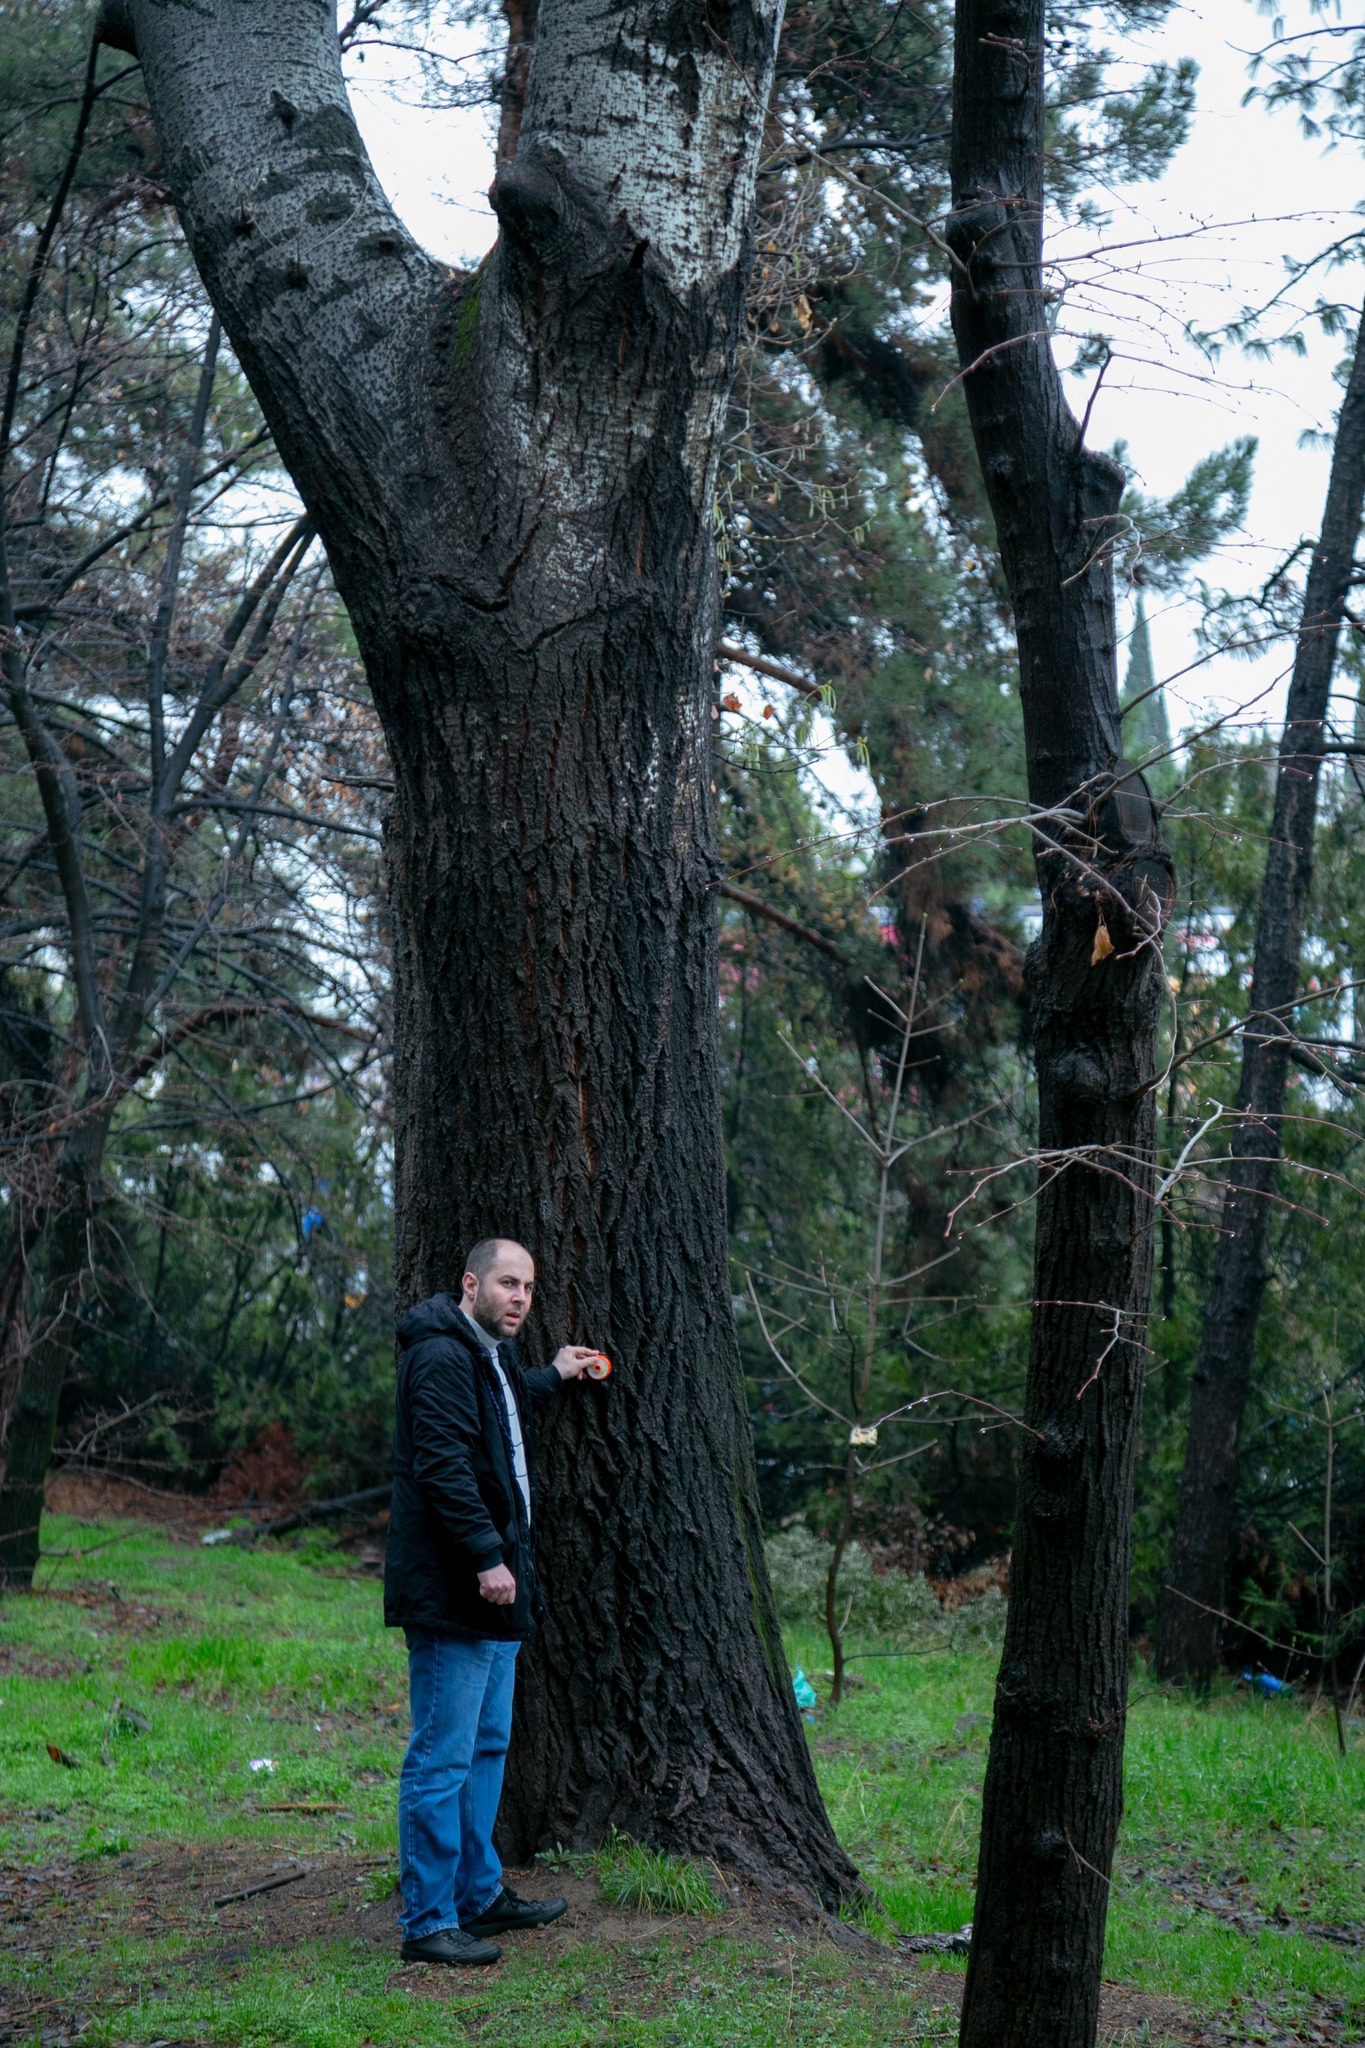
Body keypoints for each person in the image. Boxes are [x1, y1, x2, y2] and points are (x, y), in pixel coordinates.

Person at [383, 1237, 601, 1966]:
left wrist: (554, 1374)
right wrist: (484, 1555)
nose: (520, 1299)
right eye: (508, 1283)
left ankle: (477, 1896)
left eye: (528, 1288)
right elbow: (442, 1463)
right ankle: (427, 1922)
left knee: (485, 1747)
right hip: (457, 1589)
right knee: (440, 1759)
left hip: (496, 1590)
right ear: (470, 1283)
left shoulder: (489, 1357)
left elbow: (502, 1412)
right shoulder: (440, 1355)